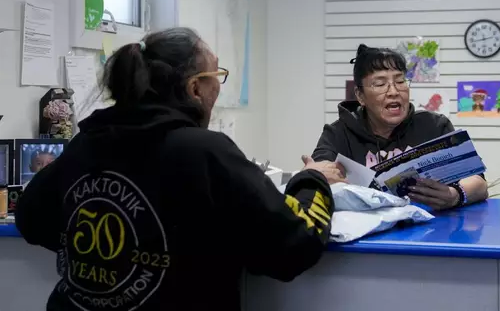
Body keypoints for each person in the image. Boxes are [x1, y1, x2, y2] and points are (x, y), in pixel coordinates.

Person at [15, 27, 346, 311]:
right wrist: (313, 177)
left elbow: (31, 219)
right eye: (216, 77)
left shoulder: (87, 142)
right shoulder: (204, 151)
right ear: (195, 89)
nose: (219, 87)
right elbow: (294, 246)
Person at [312, 44, 487, 211]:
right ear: (360, 96)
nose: (394, 91)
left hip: (430, 230)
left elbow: (479, 182)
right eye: (380, 84)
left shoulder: (434, 126)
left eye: (400, 81)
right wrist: (316, 175)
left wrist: (455, 195)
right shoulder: (338, 133)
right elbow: (316, 176)